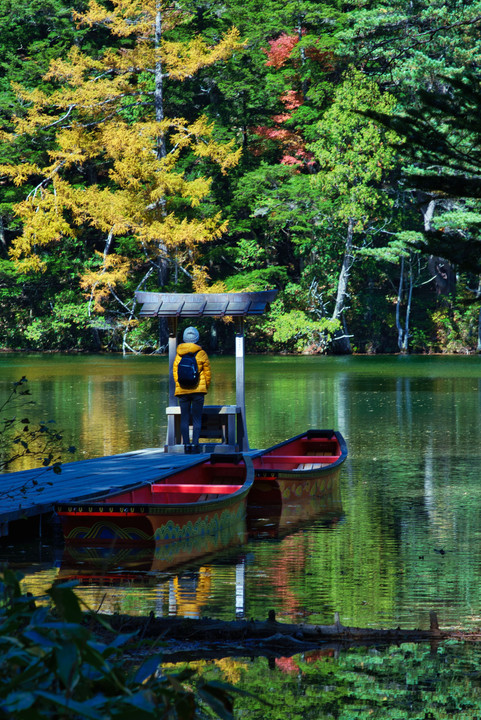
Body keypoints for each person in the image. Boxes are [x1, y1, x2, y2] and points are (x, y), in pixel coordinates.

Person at [173, 326, 211, 452]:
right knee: (196, 418)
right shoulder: (201, 353)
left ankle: (186, 446)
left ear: (184, 338)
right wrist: (206, 387)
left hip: (182, 391)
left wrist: (179, 385)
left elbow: (175, 372)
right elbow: (207, 373)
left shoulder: (179, 353)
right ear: (197, 338)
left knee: (184, 418)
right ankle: (195, 445)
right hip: (198, 391)